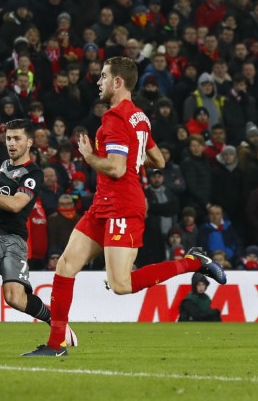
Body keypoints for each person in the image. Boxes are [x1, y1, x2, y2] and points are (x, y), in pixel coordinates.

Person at [23, 57, 226, 357]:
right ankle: (56, 345)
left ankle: (193, 263)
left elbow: (116, 170)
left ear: (118, 82)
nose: (99, 81)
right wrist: (133, 158)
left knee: (120, 284)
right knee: (65, 266)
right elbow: (159, 159)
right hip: (103, 206)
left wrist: (89, 156)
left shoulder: (115, 119)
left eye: (104, 76)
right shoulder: (139, 118)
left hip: (122, 207)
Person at [0, 119, 77, 349]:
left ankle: (56, 321)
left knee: (14, 297)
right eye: (9, 138)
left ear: (29, 142)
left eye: (17, 138)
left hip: (13, 239)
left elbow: (16, 205)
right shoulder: (4, 166)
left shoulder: (33, 173)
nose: (11, 143)